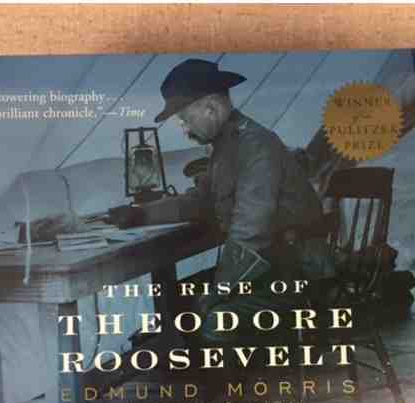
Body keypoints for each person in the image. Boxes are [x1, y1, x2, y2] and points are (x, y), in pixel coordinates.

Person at [110, 58, 325, 346]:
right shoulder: (227, 145)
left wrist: (217, 292)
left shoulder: (256, 145)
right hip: (270, 266)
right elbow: (201, 201)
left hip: (296, 271)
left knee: (210, 314)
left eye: (185, 119)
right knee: (176, 297)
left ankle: (226, 375)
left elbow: (251, 231)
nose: (184, 129)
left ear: (210, 108)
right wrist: (141, 214)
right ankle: (196, 367)